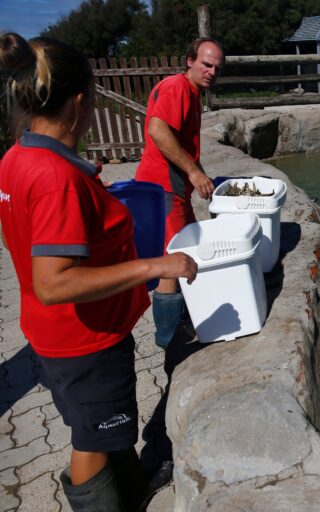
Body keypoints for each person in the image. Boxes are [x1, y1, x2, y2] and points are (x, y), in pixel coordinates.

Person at [0, 33, 198, 511]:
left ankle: (131, 490)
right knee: (91, 439)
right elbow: (54, 283)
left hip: (52, 337)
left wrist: (83, 180)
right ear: (80, 103)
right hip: (85, 342)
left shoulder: (18, 159)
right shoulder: (57, 180)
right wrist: (158, 264)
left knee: (103, 426)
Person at [135, 37, 224, 349]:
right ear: (190, 61)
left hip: (171, 187)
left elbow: (182, 141)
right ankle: (170, 339)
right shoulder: (178, 88)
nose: (211, 71)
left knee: (183, 250)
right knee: (174, 259)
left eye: (216, 67)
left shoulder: (191, 93)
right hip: (164, 186)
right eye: (206, 64)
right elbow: (158, 130)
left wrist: (199, 172)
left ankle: (182, 321)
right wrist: (194, 171)